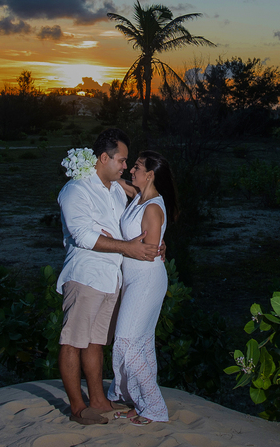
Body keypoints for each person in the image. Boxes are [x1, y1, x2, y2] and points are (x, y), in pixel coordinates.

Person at [56, 128, 159, 426]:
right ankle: (78, 408)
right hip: (85, 275)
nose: (126, 166)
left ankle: (99, 399)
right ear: (104, 158)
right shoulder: (76, 190)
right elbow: (83, 236)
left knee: (96, 342)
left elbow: (139, 211)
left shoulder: (115, 188)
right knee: (73, 342)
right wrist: (126, 247)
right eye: (122, 160)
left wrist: (156, 240)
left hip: (111, 277)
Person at [108, 150, 177, 425]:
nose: (130, 170)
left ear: (149, 175)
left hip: (147, 281)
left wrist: (114, 247)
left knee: (126, 341)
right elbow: (116, 183)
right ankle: (140, 402)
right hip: (134, 279)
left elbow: (149, 252)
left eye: (136, 167)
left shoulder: (152, 207)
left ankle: (155, 406)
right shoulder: (138, 197)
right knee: (143, 343)